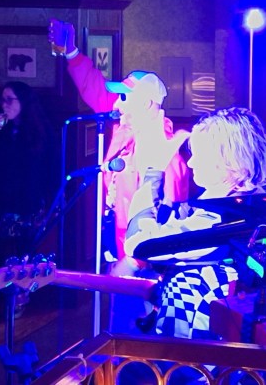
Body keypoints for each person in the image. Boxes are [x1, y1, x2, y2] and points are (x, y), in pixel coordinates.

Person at [120, 106, 266, 338]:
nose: (191, 164)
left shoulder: (218, 221)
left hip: (192, 354)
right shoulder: (252, 206)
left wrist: (154, 171)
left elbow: (138, 244)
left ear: (232, 161)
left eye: (200, 155)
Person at [49, 20, 192, 263]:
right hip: (114, 233)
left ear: (146, 103)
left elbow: (171, 215)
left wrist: (136, 262)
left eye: (124, 97)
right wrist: (71, 52)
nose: (117, 102)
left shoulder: (165, 151)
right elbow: (94, 88)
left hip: (141, 252)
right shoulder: (126, 127)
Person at [0, 82, 58, 293]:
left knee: (23, 253)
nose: (4, 105)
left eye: (10, 100)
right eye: (2, 100)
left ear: (23, 101)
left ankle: (20, 296)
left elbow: (50, 167)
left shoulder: (40, 131)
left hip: (27, 200)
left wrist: (52, 199)